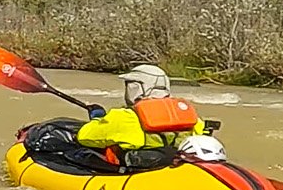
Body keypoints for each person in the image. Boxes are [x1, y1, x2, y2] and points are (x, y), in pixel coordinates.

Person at [75, 64, 221, 167]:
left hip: (139, 170)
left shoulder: (125, 116)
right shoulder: (188, 115)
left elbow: (84, 137)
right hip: (173, 165)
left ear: (137, 88)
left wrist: (97, 118)